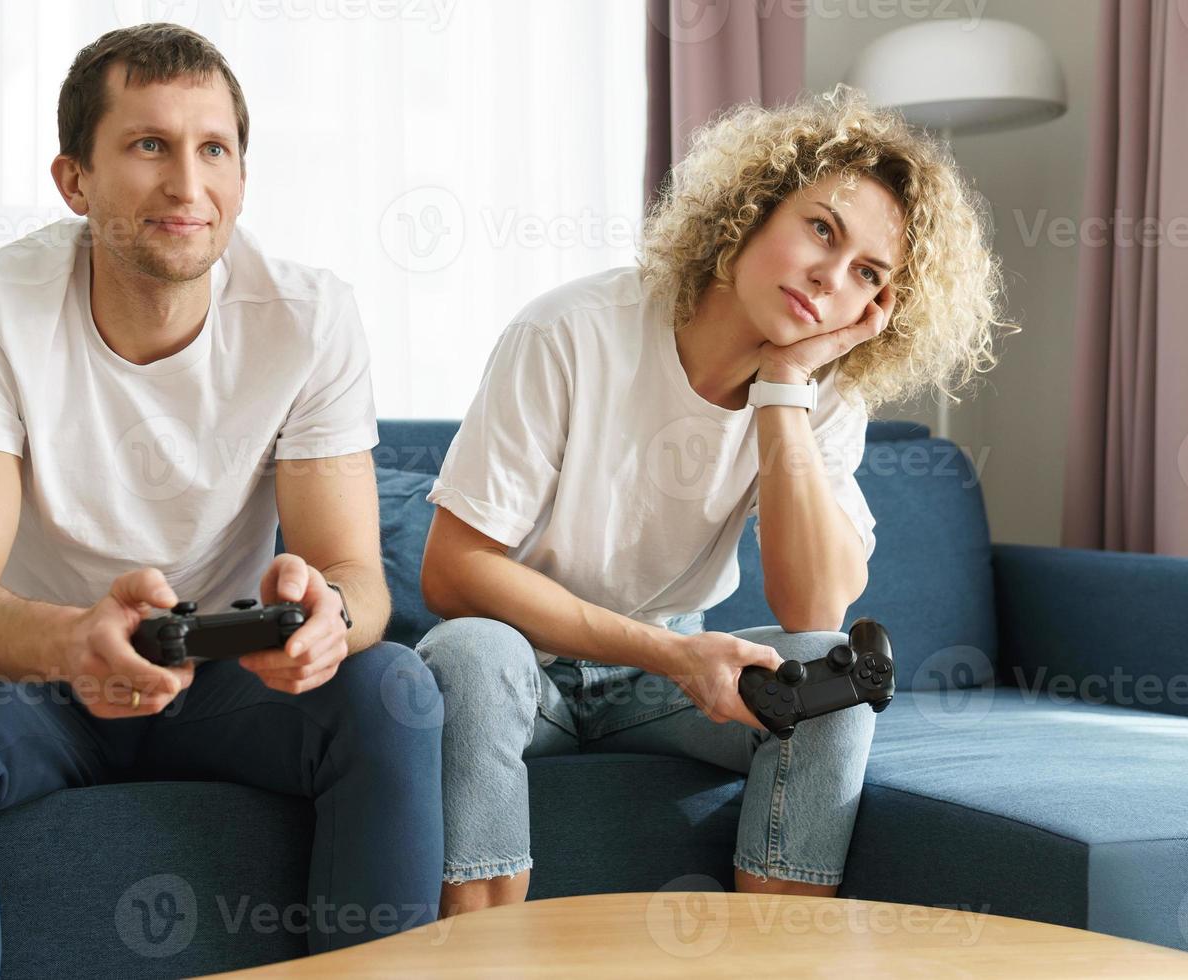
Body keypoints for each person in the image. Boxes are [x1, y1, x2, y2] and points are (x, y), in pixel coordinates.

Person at [0, 24, 443, 977]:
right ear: (73, 180)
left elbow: (353, 573)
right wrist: (76, 640)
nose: (187, 187)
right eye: (149, 145)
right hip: (41, 683)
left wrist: (331, 615)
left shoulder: (310, 316)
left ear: (243, 176)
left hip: (230, 685)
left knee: (394, 688)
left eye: (214, 150)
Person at [415, 84, 1012, 917]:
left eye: (866, 274)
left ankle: (778, 959)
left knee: (831, 680)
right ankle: (480, 960)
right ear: (755, 207)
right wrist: (674, 657)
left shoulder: (823, 397)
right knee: (470, 653)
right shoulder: (569, 332)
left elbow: (813, 606)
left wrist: (784, 389)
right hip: (527, 663)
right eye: (821, 230)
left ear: (877, 309)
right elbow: (453, 574)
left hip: (660, 684)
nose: (828, 278)